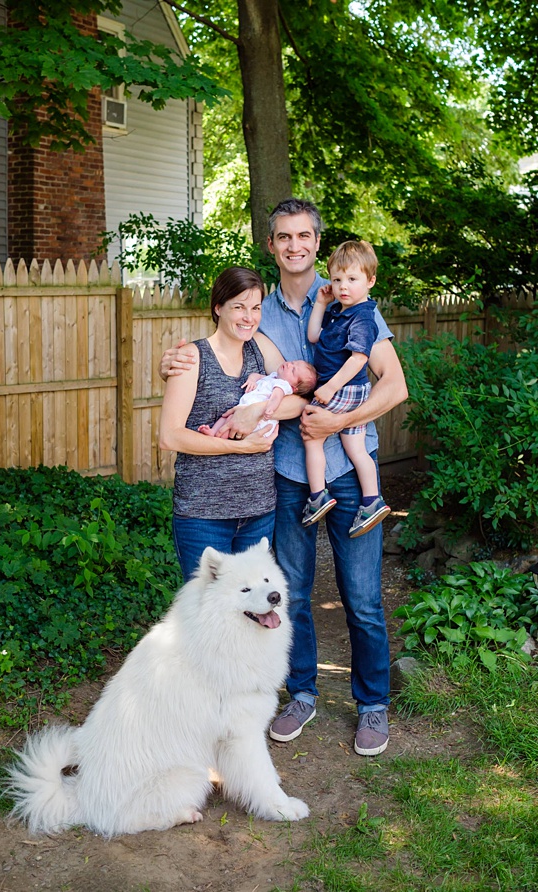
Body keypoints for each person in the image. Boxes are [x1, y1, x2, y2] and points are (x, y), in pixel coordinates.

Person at [160, 198, 407, 757]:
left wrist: (341, 418)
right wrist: (169, 363)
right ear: (270, 246)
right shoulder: (258, 312)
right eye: (283, 237)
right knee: (288, 594)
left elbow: (395, 387)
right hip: (288, 474)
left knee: (363, 598)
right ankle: (301, 692)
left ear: (317, 242)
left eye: (304, 236)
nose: (295, 246)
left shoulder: (349, 294)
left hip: (348, 469)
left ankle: (372, 704)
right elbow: (214, 355)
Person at [158, 266, 293, 582]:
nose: (249, 317)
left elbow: (300, 397)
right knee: (208, 615)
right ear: (218, 307)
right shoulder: (192, 357)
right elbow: (170, 436)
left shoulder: (261, 348)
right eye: (239, 307)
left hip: (259, 511)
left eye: (256, 308)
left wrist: (259, 409)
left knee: (251, 614)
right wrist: (240, 446)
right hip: (204, 515)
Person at [301, 241, 391, 536]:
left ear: (370, 281)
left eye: (352, 279)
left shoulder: (363, 316)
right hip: (351, 391)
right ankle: (372, 499)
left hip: (345, 389)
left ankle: (317, 496)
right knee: (355, 447)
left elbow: (359, 359)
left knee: (311, 434)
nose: (343, 286)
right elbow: (314, 335)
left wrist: (329, 388)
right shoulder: (340, 310)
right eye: (337, 279)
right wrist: (321, 303)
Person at [198, 359, 317, 439]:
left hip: (259, 421)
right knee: (227, 416)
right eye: (292, 362)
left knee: (230, 420)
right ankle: (213, 431)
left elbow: (276, 397)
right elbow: (257, 375)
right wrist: (251, 380)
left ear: (294, 388)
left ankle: (219, 437)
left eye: (293, 370)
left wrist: (270, 408)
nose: (289, 365)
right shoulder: (273, 377)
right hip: (245, 408)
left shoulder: (282, 386)